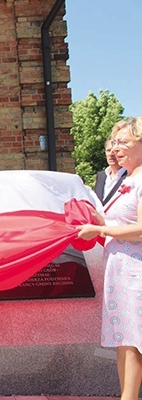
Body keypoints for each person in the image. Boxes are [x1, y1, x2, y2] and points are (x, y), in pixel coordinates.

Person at [77, 116, 142, 400]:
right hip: (118, 270)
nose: (116, 148)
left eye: (124, 142)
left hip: (136, 271)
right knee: (122, 341)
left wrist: (100, 228)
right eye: (114, 143)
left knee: (134, 342)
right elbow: (112, 220)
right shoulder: (126, 179)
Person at [95, 121, 127, 205]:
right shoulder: (101, 176)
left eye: (115, 151)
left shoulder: (130, 176)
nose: (111, 154)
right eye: (108, 150)